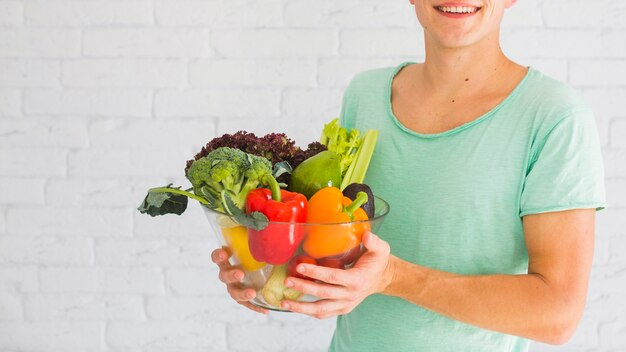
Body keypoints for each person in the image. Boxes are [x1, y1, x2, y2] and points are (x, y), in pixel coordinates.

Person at [211, 0, 606, 350]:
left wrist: (393, 277)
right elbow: (334, 252)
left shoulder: (554, 117)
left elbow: (558, 314)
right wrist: (265, 274)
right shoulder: (365, 95)